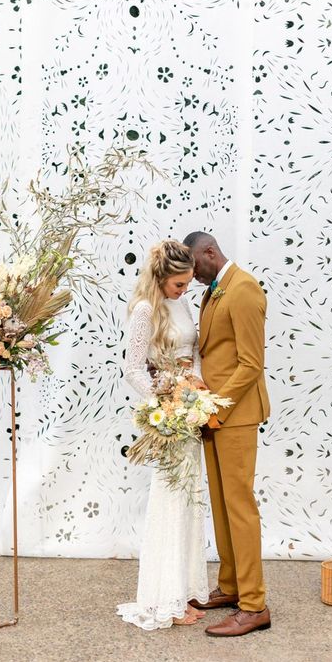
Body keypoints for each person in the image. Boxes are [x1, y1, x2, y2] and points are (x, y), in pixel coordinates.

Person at [116, 240, 209, 629]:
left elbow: (194, 350)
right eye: (178, 285)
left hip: (190, 412)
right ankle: (163, 599)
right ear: (160, 278)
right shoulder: (143, 310)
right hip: (170, 415)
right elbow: (134, 368)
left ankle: (180, 590)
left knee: (189, 501)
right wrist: (167, 395)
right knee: (171, 498)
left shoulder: (181, 303)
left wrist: (198, 384)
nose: (184, 291)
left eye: (187, 285)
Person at [184, 231, 271, 637]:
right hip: (214, 416)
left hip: (234, 415)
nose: (191, 274)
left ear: (210, 252)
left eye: (194, 266)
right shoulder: (214, 290)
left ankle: (254, 606)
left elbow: (251, 364)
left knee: (240, 507)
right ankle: (233, 585)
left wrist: (215, 406)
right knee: (220, 506)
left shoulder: (244, 289)